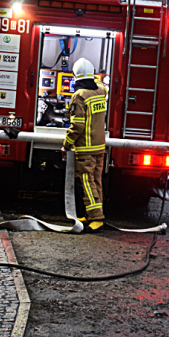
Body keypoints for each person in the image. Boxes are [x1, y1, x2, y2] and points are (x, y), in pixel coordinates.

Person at [61, 58, 107, 232]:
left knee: (87, 182)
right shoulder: (101, 91)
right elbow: (99, 82)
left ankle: (96, 218)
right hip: (99, 146)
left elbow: (77, 125)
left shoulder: (79, 96)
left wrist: (66, 145)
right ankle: (93, 214)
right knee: (96, 181)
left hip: (86, 147)